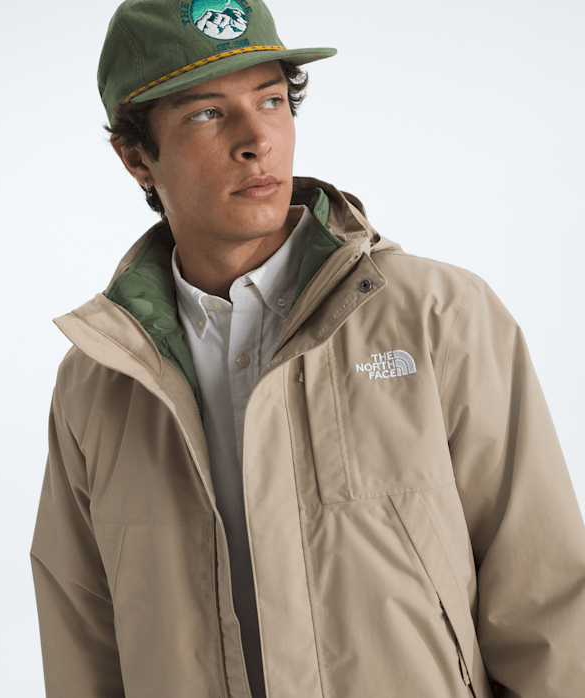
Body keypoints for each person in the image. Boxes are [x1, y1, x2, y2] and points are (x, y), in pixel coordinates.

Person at [30, 0, 585, 696]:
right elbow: (82, 635)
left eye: (271, 100)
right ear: (137, 156)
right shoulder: (98, 382)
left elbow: (545, 598)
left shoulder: (438, 316)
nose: (256, 139)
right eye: (207, 113)